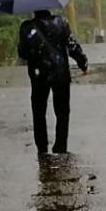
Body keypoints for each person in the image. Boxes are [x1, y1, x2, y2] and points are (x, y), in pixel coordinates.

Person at [18, 8, 88, 155]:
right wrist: (82, 62)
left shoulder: (26, 27)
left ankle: (42, 147)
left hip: (39, 75)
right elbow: (72, 45)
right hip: (60, 73)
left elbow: (22, 53)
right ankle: (60, 145)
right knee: (62, 112)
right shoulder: (61, 23)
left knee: (38, 111)